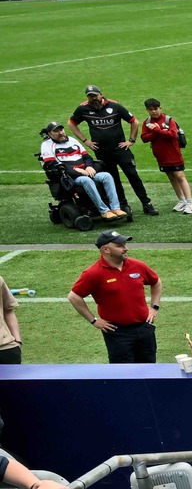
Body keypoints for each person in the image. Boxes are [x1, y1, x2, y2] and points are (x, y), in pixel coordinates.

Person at [67, 230, 161, 363]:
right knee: (122, 374)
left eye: (125, 244)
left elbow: (156, 282)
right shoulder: (93, 273)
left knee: (149, 368)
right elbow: (74, 296)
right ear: (106, 249)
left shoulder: (138, 266)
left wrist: (154, 307)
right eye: (120, 245)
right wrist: (94, 320)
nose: (126, 248)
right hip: (117, 333)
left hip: (144, 328)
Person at [70, 85, 155, 214]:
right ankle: (123, 205)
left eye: (95, 95)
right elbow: (71, 123)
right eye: (90, 96)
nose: (93, 98)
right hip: (102, 151)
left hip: (120, 149)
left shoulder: (115, 106)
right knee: (113, 179)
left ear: (101, 94)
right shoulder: (83, 109)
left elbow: (134, 122)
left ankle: (146, 203)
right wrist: (85, 141)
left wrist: (131, 140)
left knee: (133, 175)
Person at [40, 120, 125, 219]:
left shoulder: (72, 140)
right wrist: (75, 170)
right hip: (70, 177)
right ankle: (104, 211)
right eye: (57, 131)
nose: (61, 133)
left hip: (86, 171)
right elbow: (52, 164)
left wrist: (89, 166)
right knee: (87, 180)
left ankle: (116, 208)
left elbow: (87, 157)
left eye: (61, 130)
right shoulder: (47, 145)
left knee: (107, 176)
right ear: (50, 134)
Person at [138, 98, 192, 214]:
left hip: (173, 154)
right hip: (161, 156)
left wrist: (157, 130)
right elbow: (144, 138)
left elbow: (173, 135)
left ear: (160, 108)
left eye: (156, 109)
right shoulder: (147, 123)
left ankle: (190, 203)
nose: (154, 111)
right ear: (147, 110)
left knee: (180, 176)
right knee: (171, 177)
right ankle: (182, 200)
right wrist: (154, 132)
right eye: (151, 109)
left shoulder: (169, 120)